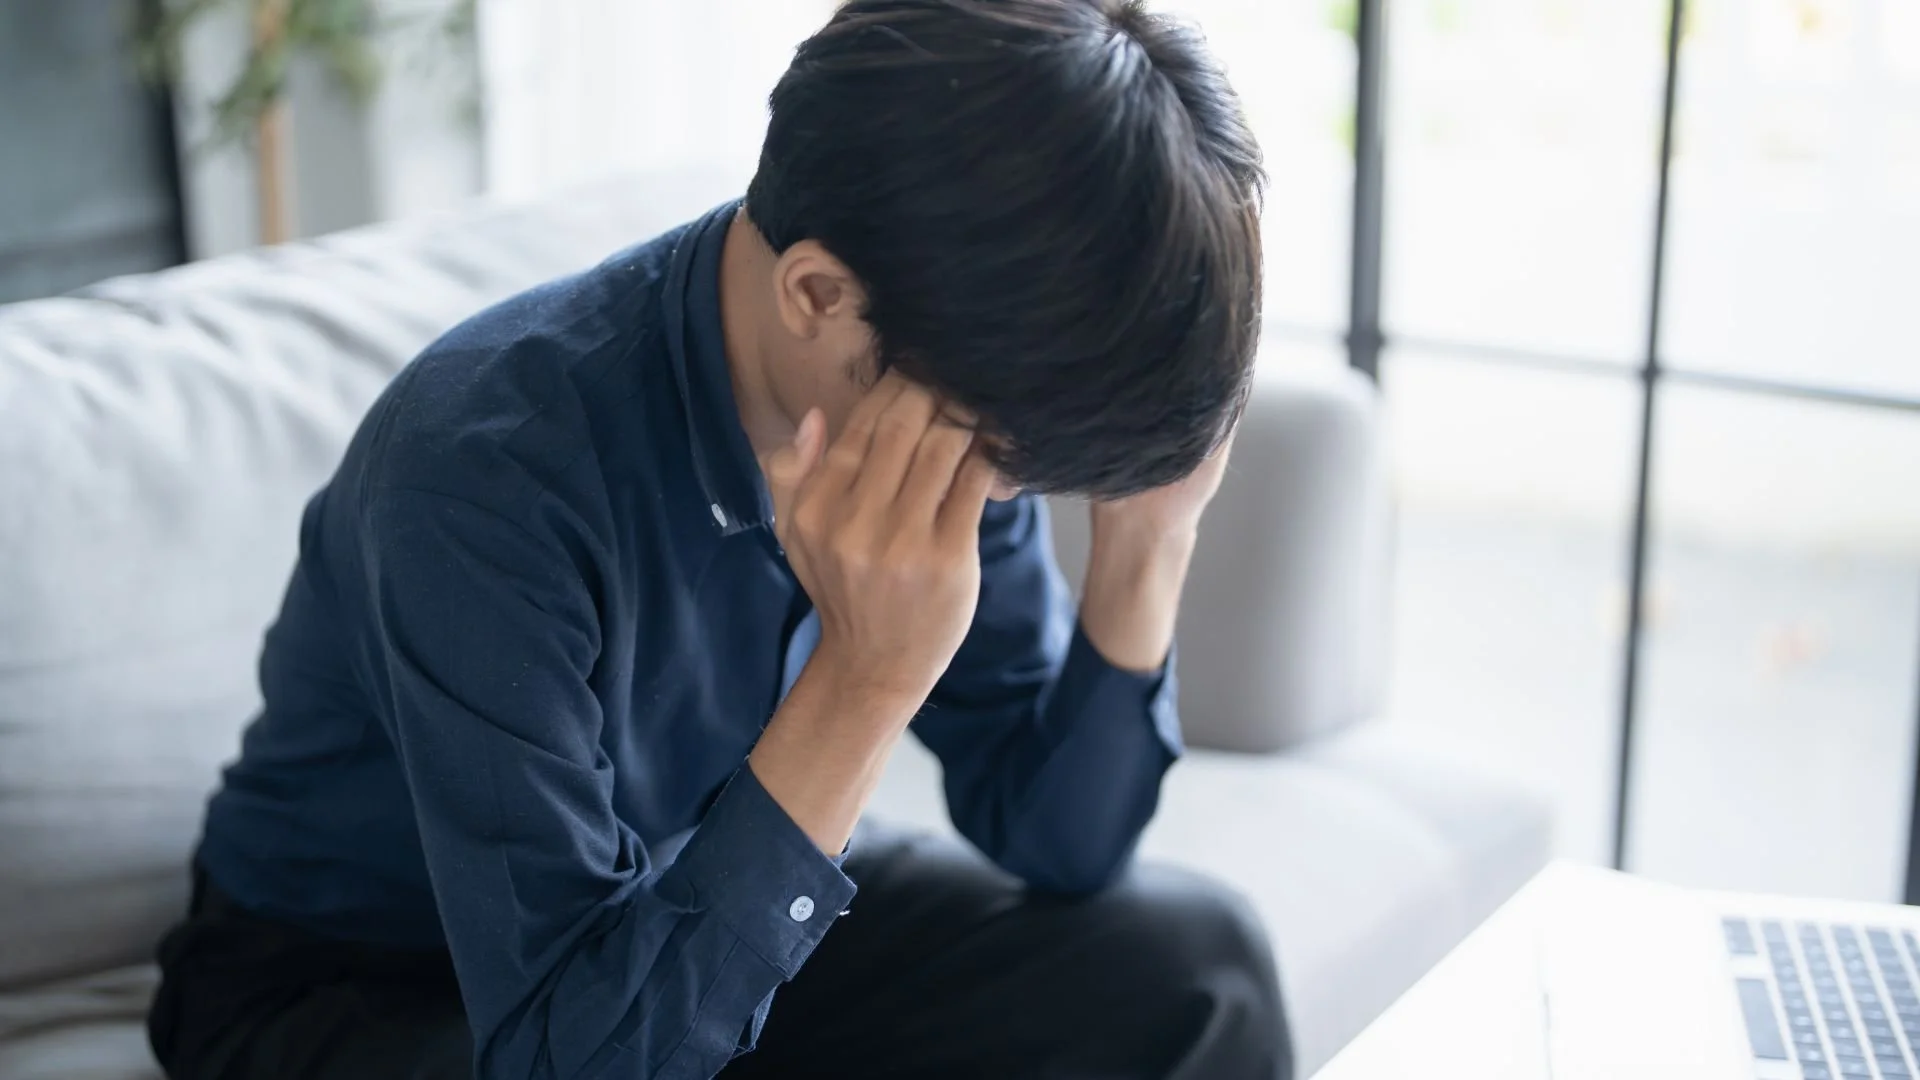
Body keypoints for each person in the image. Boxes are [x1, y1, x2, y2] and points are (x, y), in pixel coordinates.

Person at [145, 0, 1287, 1077]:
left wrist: (1148, 539)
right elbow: (571, 1055)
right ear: (818, 296)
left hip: (688, 886)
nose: (999, 501)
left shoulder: (948, 377)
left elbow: (1058, 838)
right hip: (373, 985)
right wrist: (866, 680)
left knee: (1196, 968)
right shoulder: (482, 475)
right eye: (1002, 459)